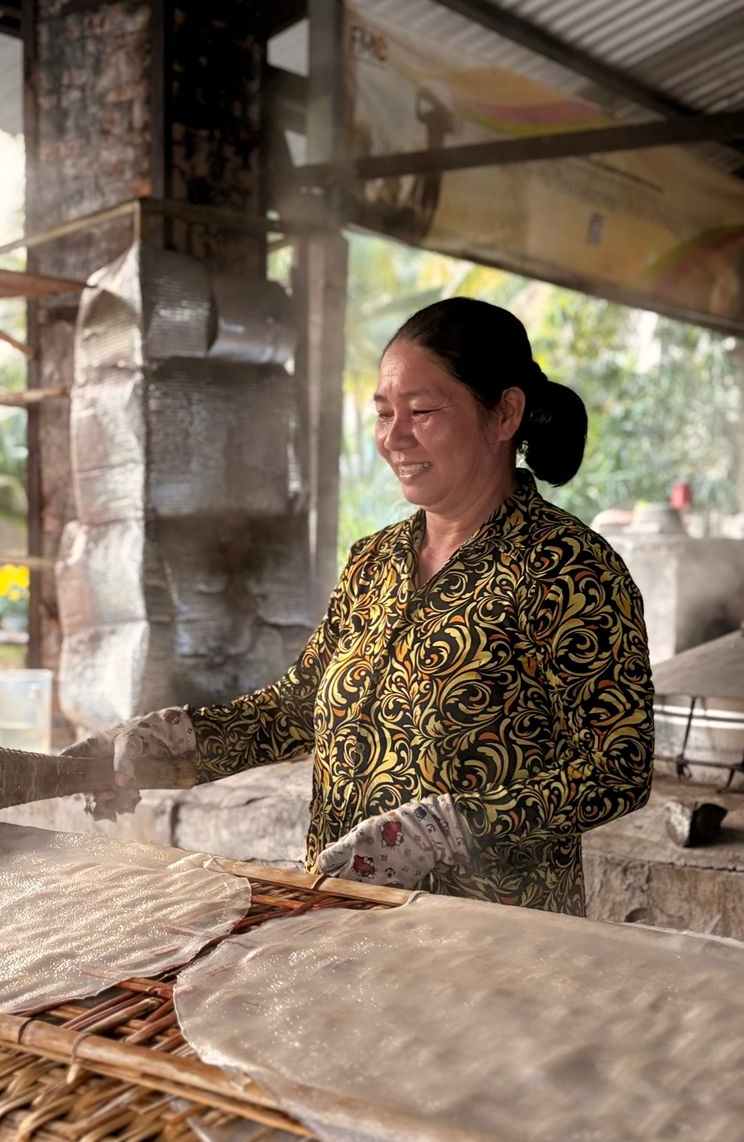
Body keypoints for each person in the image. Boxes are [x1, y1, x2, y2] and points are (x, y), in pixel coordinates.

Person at [67, 298, 654, 915]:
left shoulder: (569, 568)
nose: (394, 437)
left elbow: (620, 764)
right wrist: (177, 742)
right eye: (383, 413)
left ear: (504, 412)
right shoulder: (375, 561)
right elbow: (297, 708)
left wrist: (451, 827)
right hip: (343, 915)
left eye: (423, 412)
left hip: (488, 940)